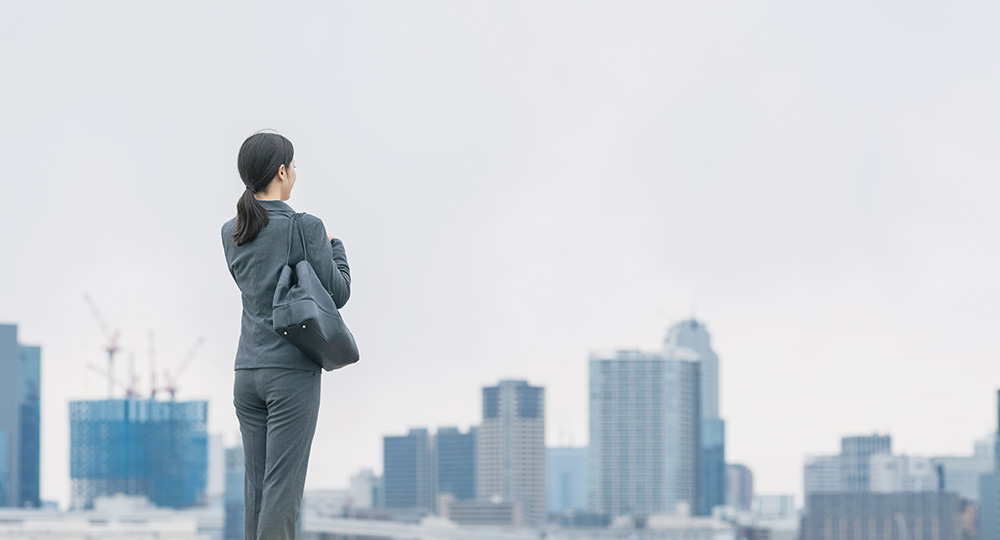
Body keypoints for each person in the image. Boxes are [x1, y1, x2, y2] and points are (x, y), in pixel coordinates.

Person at [220, 130, 351, 540]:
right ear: (281, 171)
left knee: (256, 491)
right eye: (292, 166)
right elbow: (338, 293)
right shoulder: (306, 227)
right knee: (282, 494)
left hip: (247, 373)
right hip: (290, 374)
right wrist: (338, 248)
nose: (295, 172)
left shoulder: (231, 232)